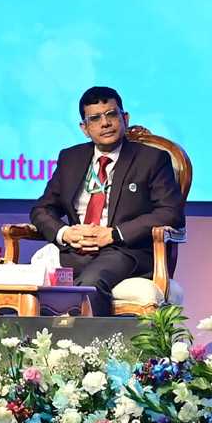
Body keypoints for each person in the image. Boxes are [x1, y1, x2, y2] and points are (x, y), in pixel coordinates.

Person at [30, 86, 184, 316]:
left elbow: (170, 212)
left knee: (90, 284)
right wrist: (65, 233)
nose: (105, 123)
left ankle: (91, 341)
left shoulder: (151, 159)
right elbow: (42, 209)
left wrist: (114, 234)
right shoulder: (70, 158)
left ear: (125, 118)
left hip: (125, 251)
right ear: (84, 128)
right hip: (76, 250)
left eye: (111, 114)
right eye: (95, 118)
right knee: (29, 285)